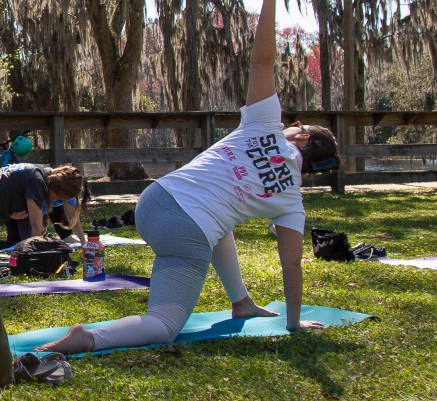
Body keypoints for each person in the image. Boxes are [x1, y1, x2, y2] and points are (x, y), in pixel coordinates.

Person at [37, 0, 339, 354]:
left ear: (302, 137)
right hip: (185, 231)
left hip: (154, 201)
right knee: (164, 325)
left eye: (297, 125)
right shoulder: (291, 200)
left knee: (221, 221)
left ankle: (241, 302)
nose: (291, 125)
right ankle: (87, 339)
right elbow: (291, 265)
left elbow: (262, 61)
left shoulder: (265, 125)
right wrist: (293, 322)